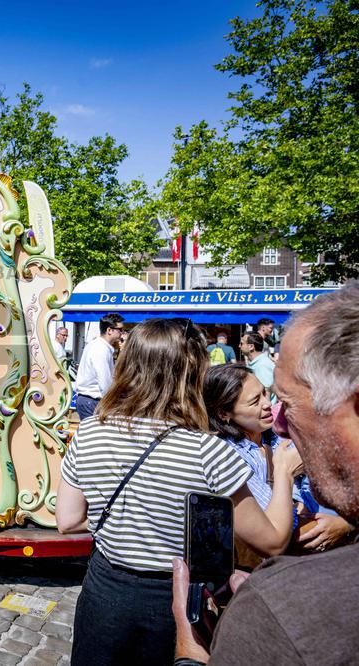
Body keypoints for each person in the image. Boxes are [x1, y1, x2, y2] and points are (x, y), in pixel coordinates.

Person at [55, 318, 298, 666]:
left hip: (105, 591)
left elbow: (68, 520)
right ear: (191, 373)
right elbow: (272, 540)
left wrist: (131, 526)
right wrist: (285, 470)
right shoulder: (207, 450)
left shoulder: (90, 431)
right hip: (174, 599)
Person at [172, 281, 359, 665]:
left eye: (281, 400)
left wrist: (190, 656)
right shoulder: (231, 454)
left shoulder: (275, 444)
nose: (276, 416)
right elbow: (272, 537)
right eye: (259, 400)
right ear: (225, 413)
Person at [203, 363, 351, 562]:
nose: (267, 404)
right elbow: (275, 531)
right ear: (223, 414)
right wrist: (286, 472)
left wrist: (345, 524)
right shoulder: (230, 456)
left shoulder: (276, 437)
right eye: (255, 401)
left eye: (265, 393)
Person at [73, 314, 124, 420]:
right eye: (120, 329)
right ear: (109, 330)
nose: (122, 333)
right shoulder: (101, 349)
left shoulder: (97, 345)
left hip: (89, 400)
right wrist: (113, 403)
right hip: (92, 401)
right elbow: (104, 381)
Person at [239, 332, 275, 398]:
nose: (239, 346)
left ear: (251, 347)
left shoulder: (262, 365)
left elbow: (266, 393)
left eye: (242, 343)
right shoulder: (257, 362)